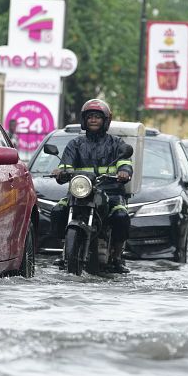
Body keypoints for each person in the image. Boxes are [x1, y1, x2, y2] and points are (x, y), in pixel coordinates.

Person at [50, 99, 134, 273]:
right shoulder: (75, 144)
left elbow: (125, 163)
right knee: (58, 211)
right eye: (90, 117)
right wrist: (60, 172)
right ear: (84, 120)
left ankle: (117, 257)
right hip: (80, 192)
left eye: (97, 117)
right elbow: (66, 166)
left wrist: (124, 172)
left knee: (121, 216)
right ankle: (64, 250)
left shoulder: (116, 143)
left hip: (111, 193)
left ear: (105, 121)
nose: (93, 120)